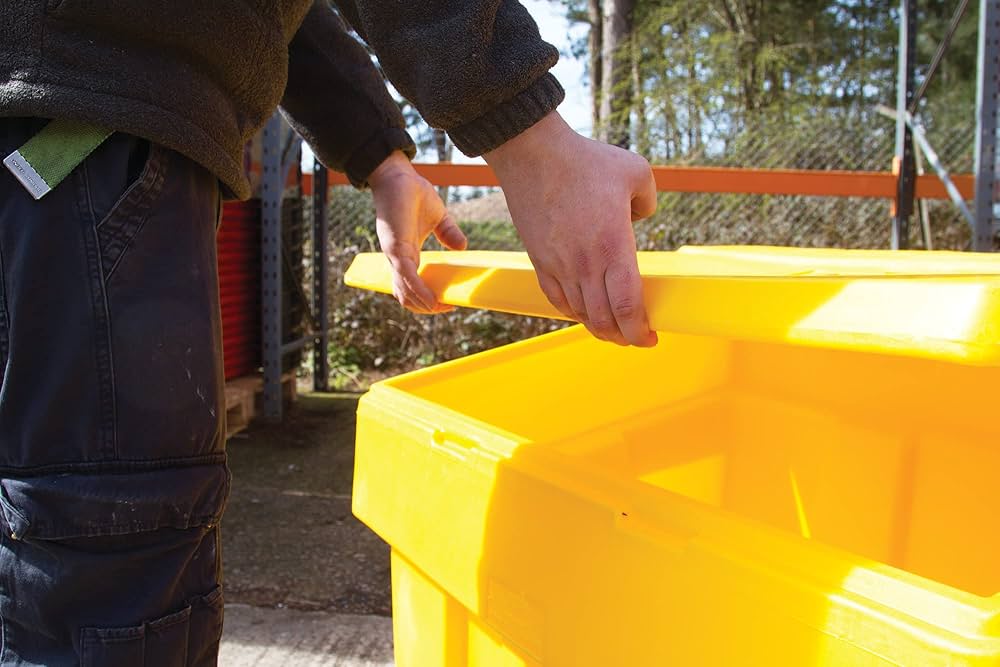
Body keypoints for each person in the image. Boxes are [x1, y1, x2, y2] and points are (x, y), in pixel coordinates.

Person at [0, 1, 657, 664]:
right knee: (107, 576)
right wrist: (534, 141)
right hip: (76, 152)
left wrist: (383, 157)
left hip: (58, 145)